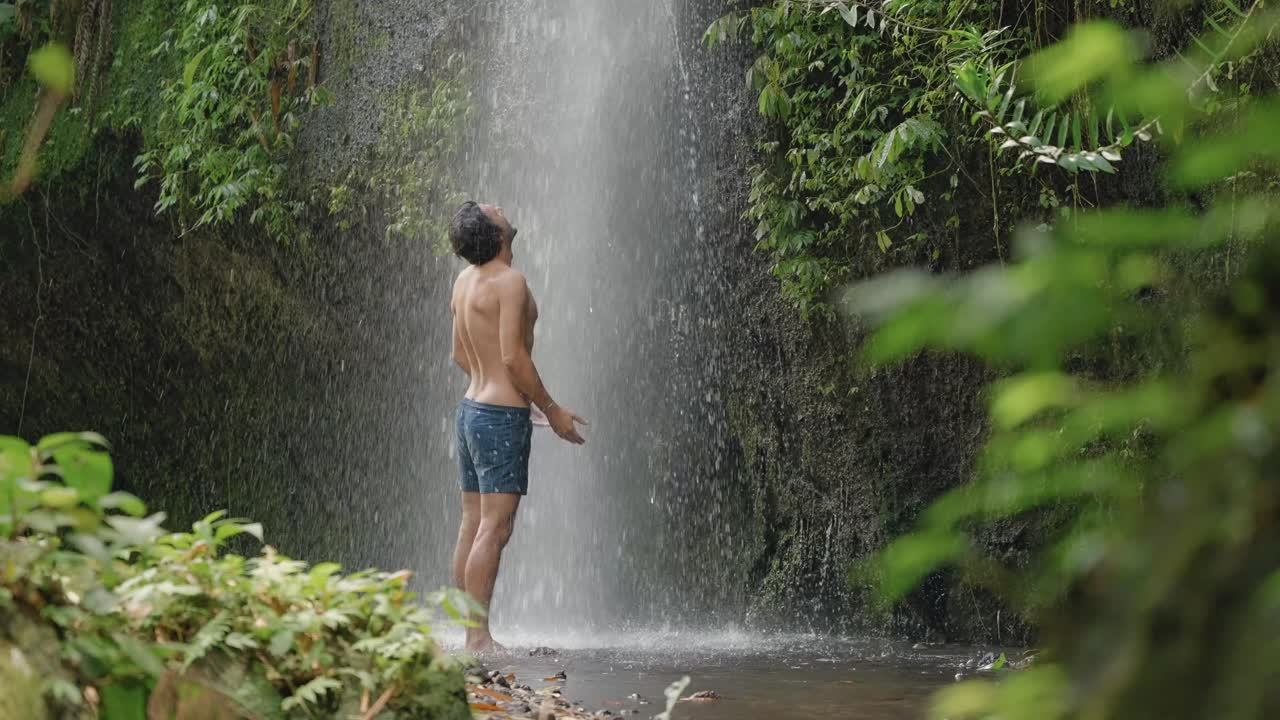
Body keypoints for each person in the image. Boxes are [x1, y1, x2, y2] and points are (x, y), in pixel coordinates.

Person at [447, 201, 587, 654]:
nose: (501, 207)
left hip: (471, 408)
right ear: (498, 233)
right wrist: (549, 407)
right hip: (499, 416)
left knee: (473, 523)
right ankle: (478, 639)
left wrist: (500, 392)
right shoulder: (510, 282)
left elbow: (460, 356)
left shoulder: (465, 281)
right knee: (496, 528)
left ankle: (467, 632)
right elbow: (513, 357)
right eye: (495, 210)